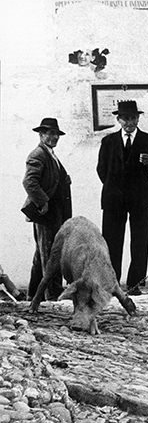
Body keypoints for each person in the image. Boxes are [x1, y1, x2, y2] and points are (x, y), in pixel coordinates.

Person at [96, 100, 148, 295]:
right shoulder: (108, 142)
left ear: (138, 118)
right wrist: (113, 188)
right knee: (111, 242)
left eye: (133, 118)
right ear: (118, 119)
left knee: (140, 241)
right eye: (125, 118)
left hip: (141, 199)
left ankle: (134, 284)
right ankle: (111, 283)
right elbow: (101, 169)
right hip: (113, 199)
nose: (129, 122)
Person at [22, 118, 72, 301]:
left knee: (41, 253)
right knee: (52, 253)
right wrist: (43, 202)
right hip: (46, 214)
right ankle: (53, 294)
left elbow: (50, 179)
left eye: (56, 134)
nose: (54, 137)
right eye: (49, 133)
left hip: (53, 213)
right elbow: (29, 182)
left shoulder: (50, 154)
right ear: (41, 134)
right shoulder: (38, 154)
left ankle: (33, 294)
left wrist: (64, 180)